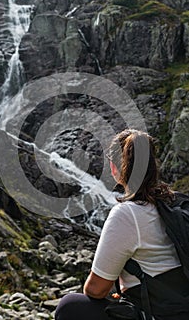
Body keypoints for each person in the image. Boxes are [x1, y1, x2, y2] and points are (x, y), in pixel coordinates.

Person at [55, 129, 189, 320]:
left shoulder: (128, 213)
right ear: (153, 165)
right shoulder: (174, 203)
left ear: (114, 167)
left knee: (69, 306)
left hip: (159, 314)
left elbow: (95, 289)